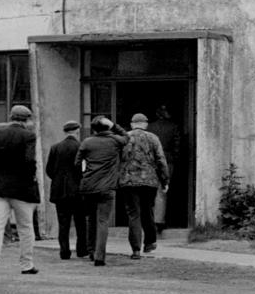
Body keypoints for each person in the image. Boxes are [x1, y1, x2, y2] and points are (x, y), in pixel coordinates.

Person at [0, 104, 40, 274]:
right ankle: (27, 265)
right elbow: (29, 161)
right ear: (26, 120)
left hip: (0, 187)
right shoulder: (29, 136)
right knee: (25, 227)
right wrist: (31, 178)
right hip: (22, 189)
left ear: (11, 117)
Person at [76, 116, 127, 267]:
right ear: (108, 128)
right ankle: (100, 256)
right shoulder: (115, 140)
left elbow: (77, 163)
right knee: (103, 221)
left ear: (93, 129)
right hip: (107, 186)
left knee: (90, 219)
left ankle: (91, 250)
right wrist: (115, 125)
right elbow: (127, 137)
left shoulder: (87, 142)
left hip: (89, 186)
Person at [118, 113, 169, 259]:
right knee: (148, 211)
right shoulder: (153, 138)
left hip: (128, 181)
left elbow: (117, 159)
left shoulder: (124, 138)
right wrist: (165, 180)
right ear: (145, 124)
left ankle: (135, 249)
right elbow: (161, 160)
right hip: (149, 181)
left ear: (132, 124)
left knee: (133, 214)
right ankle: (149, 242)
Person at [45, 119, 88, 260]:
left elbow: (49, 170)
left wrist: (59, 180)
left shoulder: (55, 148)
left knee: (63, 223)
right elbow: (84, 169)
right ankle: (82, 250)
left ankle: (64, 251)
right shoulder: (81, 147)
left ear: (65, 132)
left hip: (60, 191)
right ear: (77, 131)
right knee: (81, 222)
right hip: (78, 190)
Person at [147, 104, 181, 231]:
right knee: (162, 190)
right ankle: (159, 221)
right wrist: (174, 158)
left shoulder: (149, 127)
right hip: (167, 159)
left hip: (150, 161)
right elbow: (177, 147)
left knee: (149, 191)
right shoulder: (173, 127)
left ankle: (149, 220)